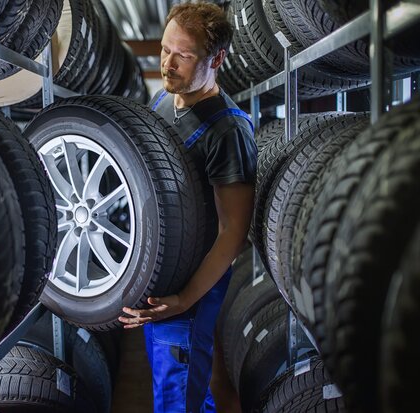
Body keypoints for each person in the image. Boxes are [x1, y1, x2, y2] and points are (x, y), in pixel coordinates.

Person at [117, 3, 257, 412]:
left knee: (176, 399)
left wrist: (184, 300)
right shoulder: (164, 101)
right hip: (160, 279)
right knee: (184, 390)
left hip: (189, 289)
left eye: (184, 55)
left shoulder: (228, 131)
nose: (167, 64)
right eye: (164, 50)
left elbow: (233, 232)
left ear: (216, 59)